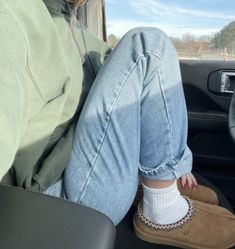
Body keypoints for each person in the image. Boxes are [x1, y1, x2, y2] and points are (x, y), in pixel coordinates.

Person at [0, 0, 234, 248]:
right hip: (61, 197)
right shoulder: (10, 19)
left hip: (83, 160)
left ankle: (158, 187)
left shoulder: (67, 22)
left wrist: (171, 161)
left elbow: (133, 80)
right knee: (147, 46)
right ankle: (162, 210)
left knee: (143, 54)